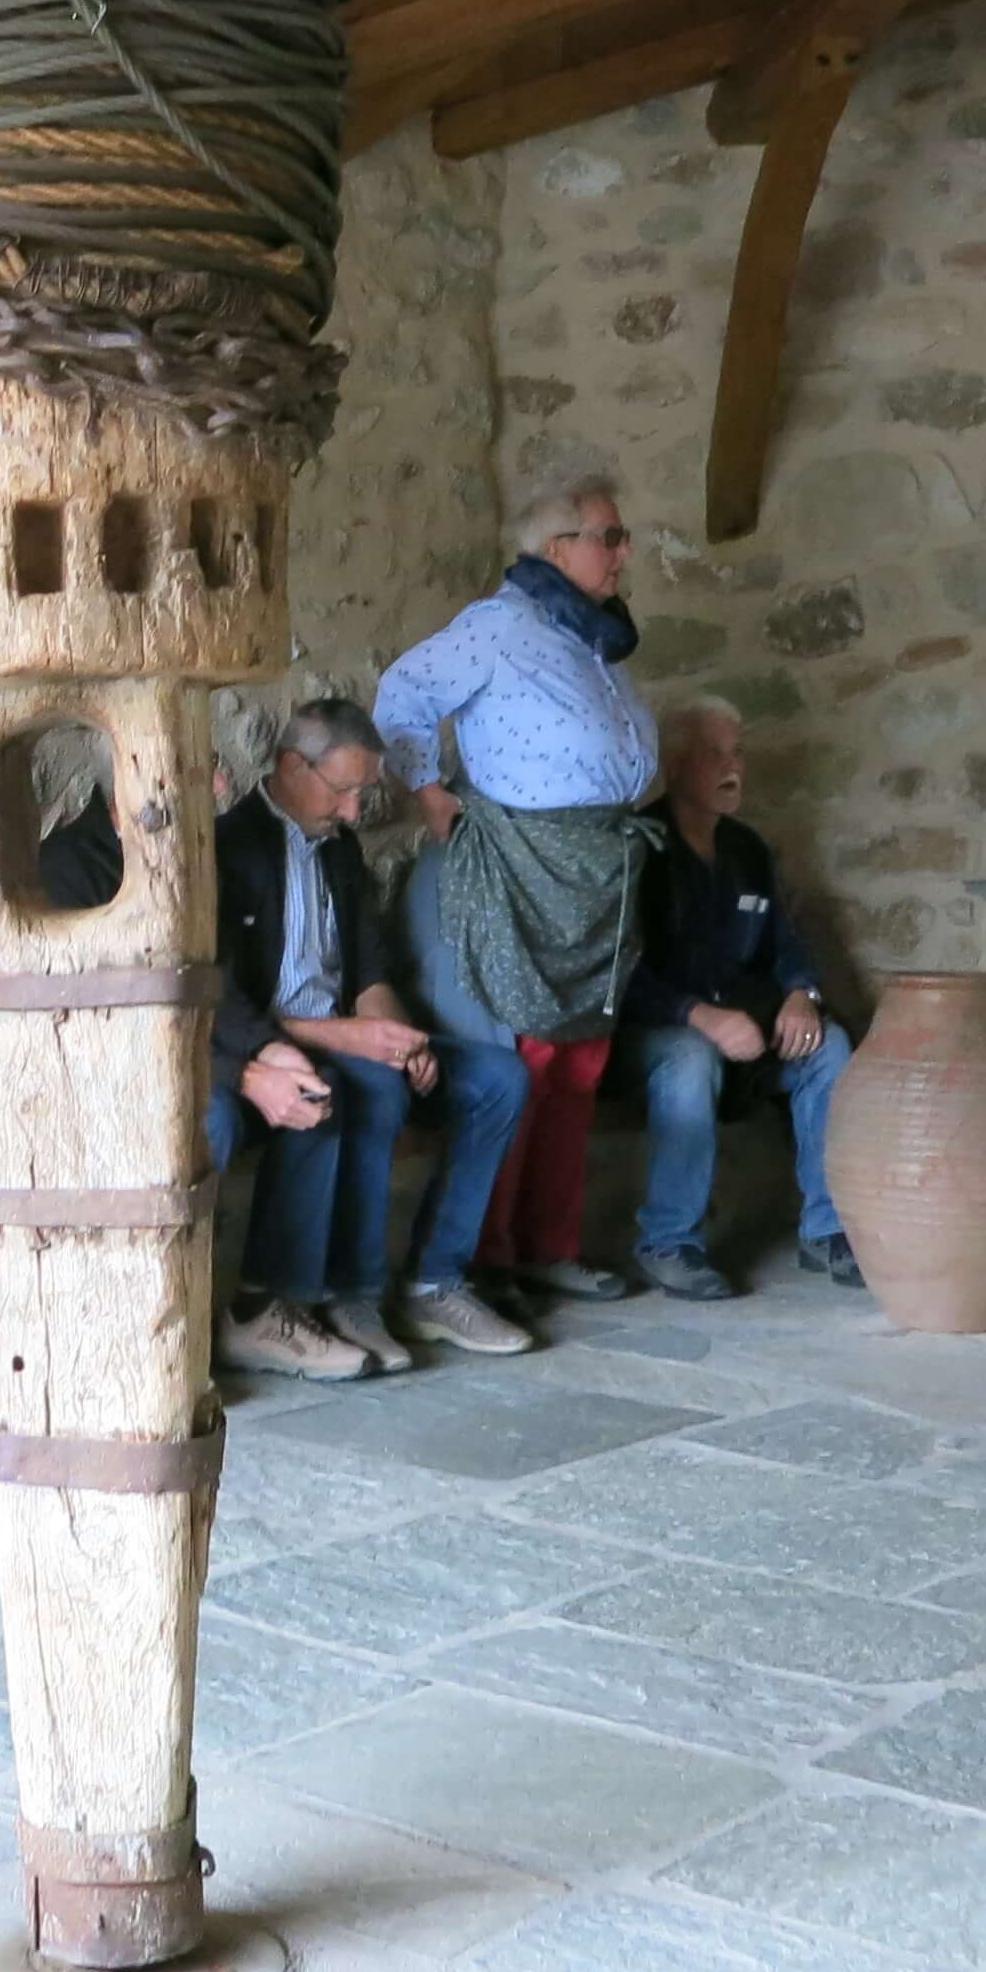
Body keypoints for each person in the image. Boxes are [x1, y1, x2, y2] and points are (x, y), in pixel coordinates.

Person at [377, 474, 658, 1335]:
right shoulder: (499, 627)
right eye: (609, 536)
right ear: (557, 549)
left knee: (579, 1064)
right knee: (531, 1058)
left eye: (620, 536)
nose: (623, 552)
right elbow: (402, 696)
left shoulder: (590, 637)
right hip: (525, 866)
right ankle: (490, 1257)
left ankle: (550, 1246)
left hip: (595, 870)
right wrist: (429, 792)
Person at [207, 702, 439, 1380]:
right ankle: (267, 1303)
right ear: (290, 766)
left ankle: (355, 1295)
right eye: (342, 789)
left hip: (328, 1031)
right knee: (324, 1093)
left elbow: (369, 969)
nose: (353, 809)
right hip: (261, 1039)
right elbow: (227, 998)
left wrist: (397, 1037)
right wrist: (342, 1038)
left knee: (399, 1085)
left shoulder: (341, 849)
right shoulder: (228, 846)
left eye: (363, 792)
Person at [624, 698, 857, 1297]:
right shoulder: (638, 847)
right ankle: (668, 1241)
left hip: (748, 1032)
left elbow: (785, 943)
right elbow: (618, 972)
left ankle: (827, 1230)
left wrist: (801, 993)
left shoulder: (747, 850)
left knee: (828, 1046)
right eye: (714, 754)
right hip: (653, 1037)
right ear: (674, 765)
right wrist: (698, 1016)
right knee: (689, 1057)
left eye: (738, 753)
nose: (733, 768)